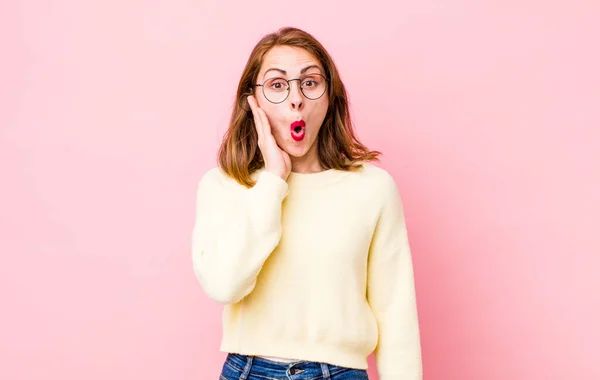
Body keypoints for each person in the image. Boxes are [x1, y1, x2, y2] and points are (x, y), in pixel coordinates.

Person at [191, 27, 423, 380]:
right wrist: (272, 181)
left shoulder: (372, 188)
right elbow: (224, 284)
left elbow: (396, 316)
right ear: (252, 101)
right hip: (249, 371)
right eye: (278, 85)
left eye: (310, 83)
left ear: (330, 98)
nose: (295, 99)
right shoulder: (225, 186)